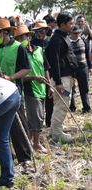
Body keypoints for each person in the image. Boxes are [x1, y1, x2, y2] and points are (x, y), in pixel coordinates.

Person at [0, 18, 32, 167]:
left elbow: (26, 69)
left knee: (18, 126)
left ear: (5, 33)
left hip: (14, 91)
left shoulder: (18, 48)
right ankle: (7, 157)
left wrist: (10, 77)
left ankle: (25, 157)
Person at [14, 24, 52, 153]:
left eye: (24, 36)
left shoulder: (39, 50)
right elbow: (19, 76)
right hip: (29, 89)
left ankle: (30, 142)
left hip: (42, 88)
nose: (22, 40)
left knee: (39, 116)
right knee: (36, 117)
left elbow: (45, 67)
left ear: (30, 37)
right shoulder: (19, 53)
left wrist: (49, 85)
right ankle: (36, 143)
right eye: (18, 38)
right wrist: (34, 78)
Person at [45, 12, 78, 143]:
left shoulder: (64, 37)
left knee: (60, 106)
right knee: (61, 106)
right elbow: (55, 62)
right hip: (61, 79)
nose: (73, 25)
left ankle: (55, 131)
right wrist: (58, 82)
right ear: (62, 24)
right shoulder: (56, 39)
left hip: (66, 77)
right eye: (70, 23)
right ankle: (57, 134)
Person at [31, 20, 54, 128]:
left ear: (46, 31)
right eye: (38, 31)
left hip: (50, 73)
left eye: (43, 31)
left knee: (50, 99)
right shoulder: (33, 43)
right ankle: (38, 122)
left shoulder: (50, 41)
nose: (40, 33)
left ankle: (49, 122)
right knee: (38, 100)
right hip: (36, 75)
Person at [69, 25, 91, 114]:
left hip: (83, 67)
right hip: (71, 68)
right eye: (75, 33)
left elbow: (87, 54)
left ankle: (86, 108)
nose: (77, 34)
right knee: (71, 88)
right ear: (71, 33)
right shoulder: (67, 42)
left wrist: (89, 67)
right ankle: (71, 107)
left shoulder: (83, 41)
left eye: (78, 33)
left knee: (84, 88)